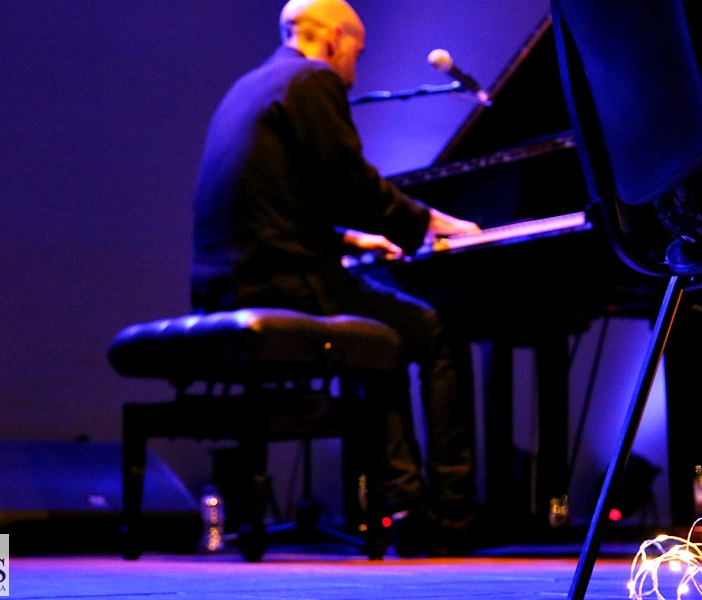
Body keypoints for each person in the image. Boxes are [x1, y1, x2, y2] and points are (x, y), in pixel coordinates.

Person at [189, 0, 482, 556]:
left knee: (384, 340)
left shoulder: (253, 85)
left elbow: (274, 201)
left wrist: (351, 239)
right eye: (358, 52)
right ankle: (453, 512)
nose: (356, 66)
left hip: (229, 281)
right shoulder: (313, 77)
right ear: (332, 40)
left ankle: (406, 506)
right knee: (430, 330)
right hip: (285, 280)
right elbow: (352, 183)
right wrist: (427, 221)